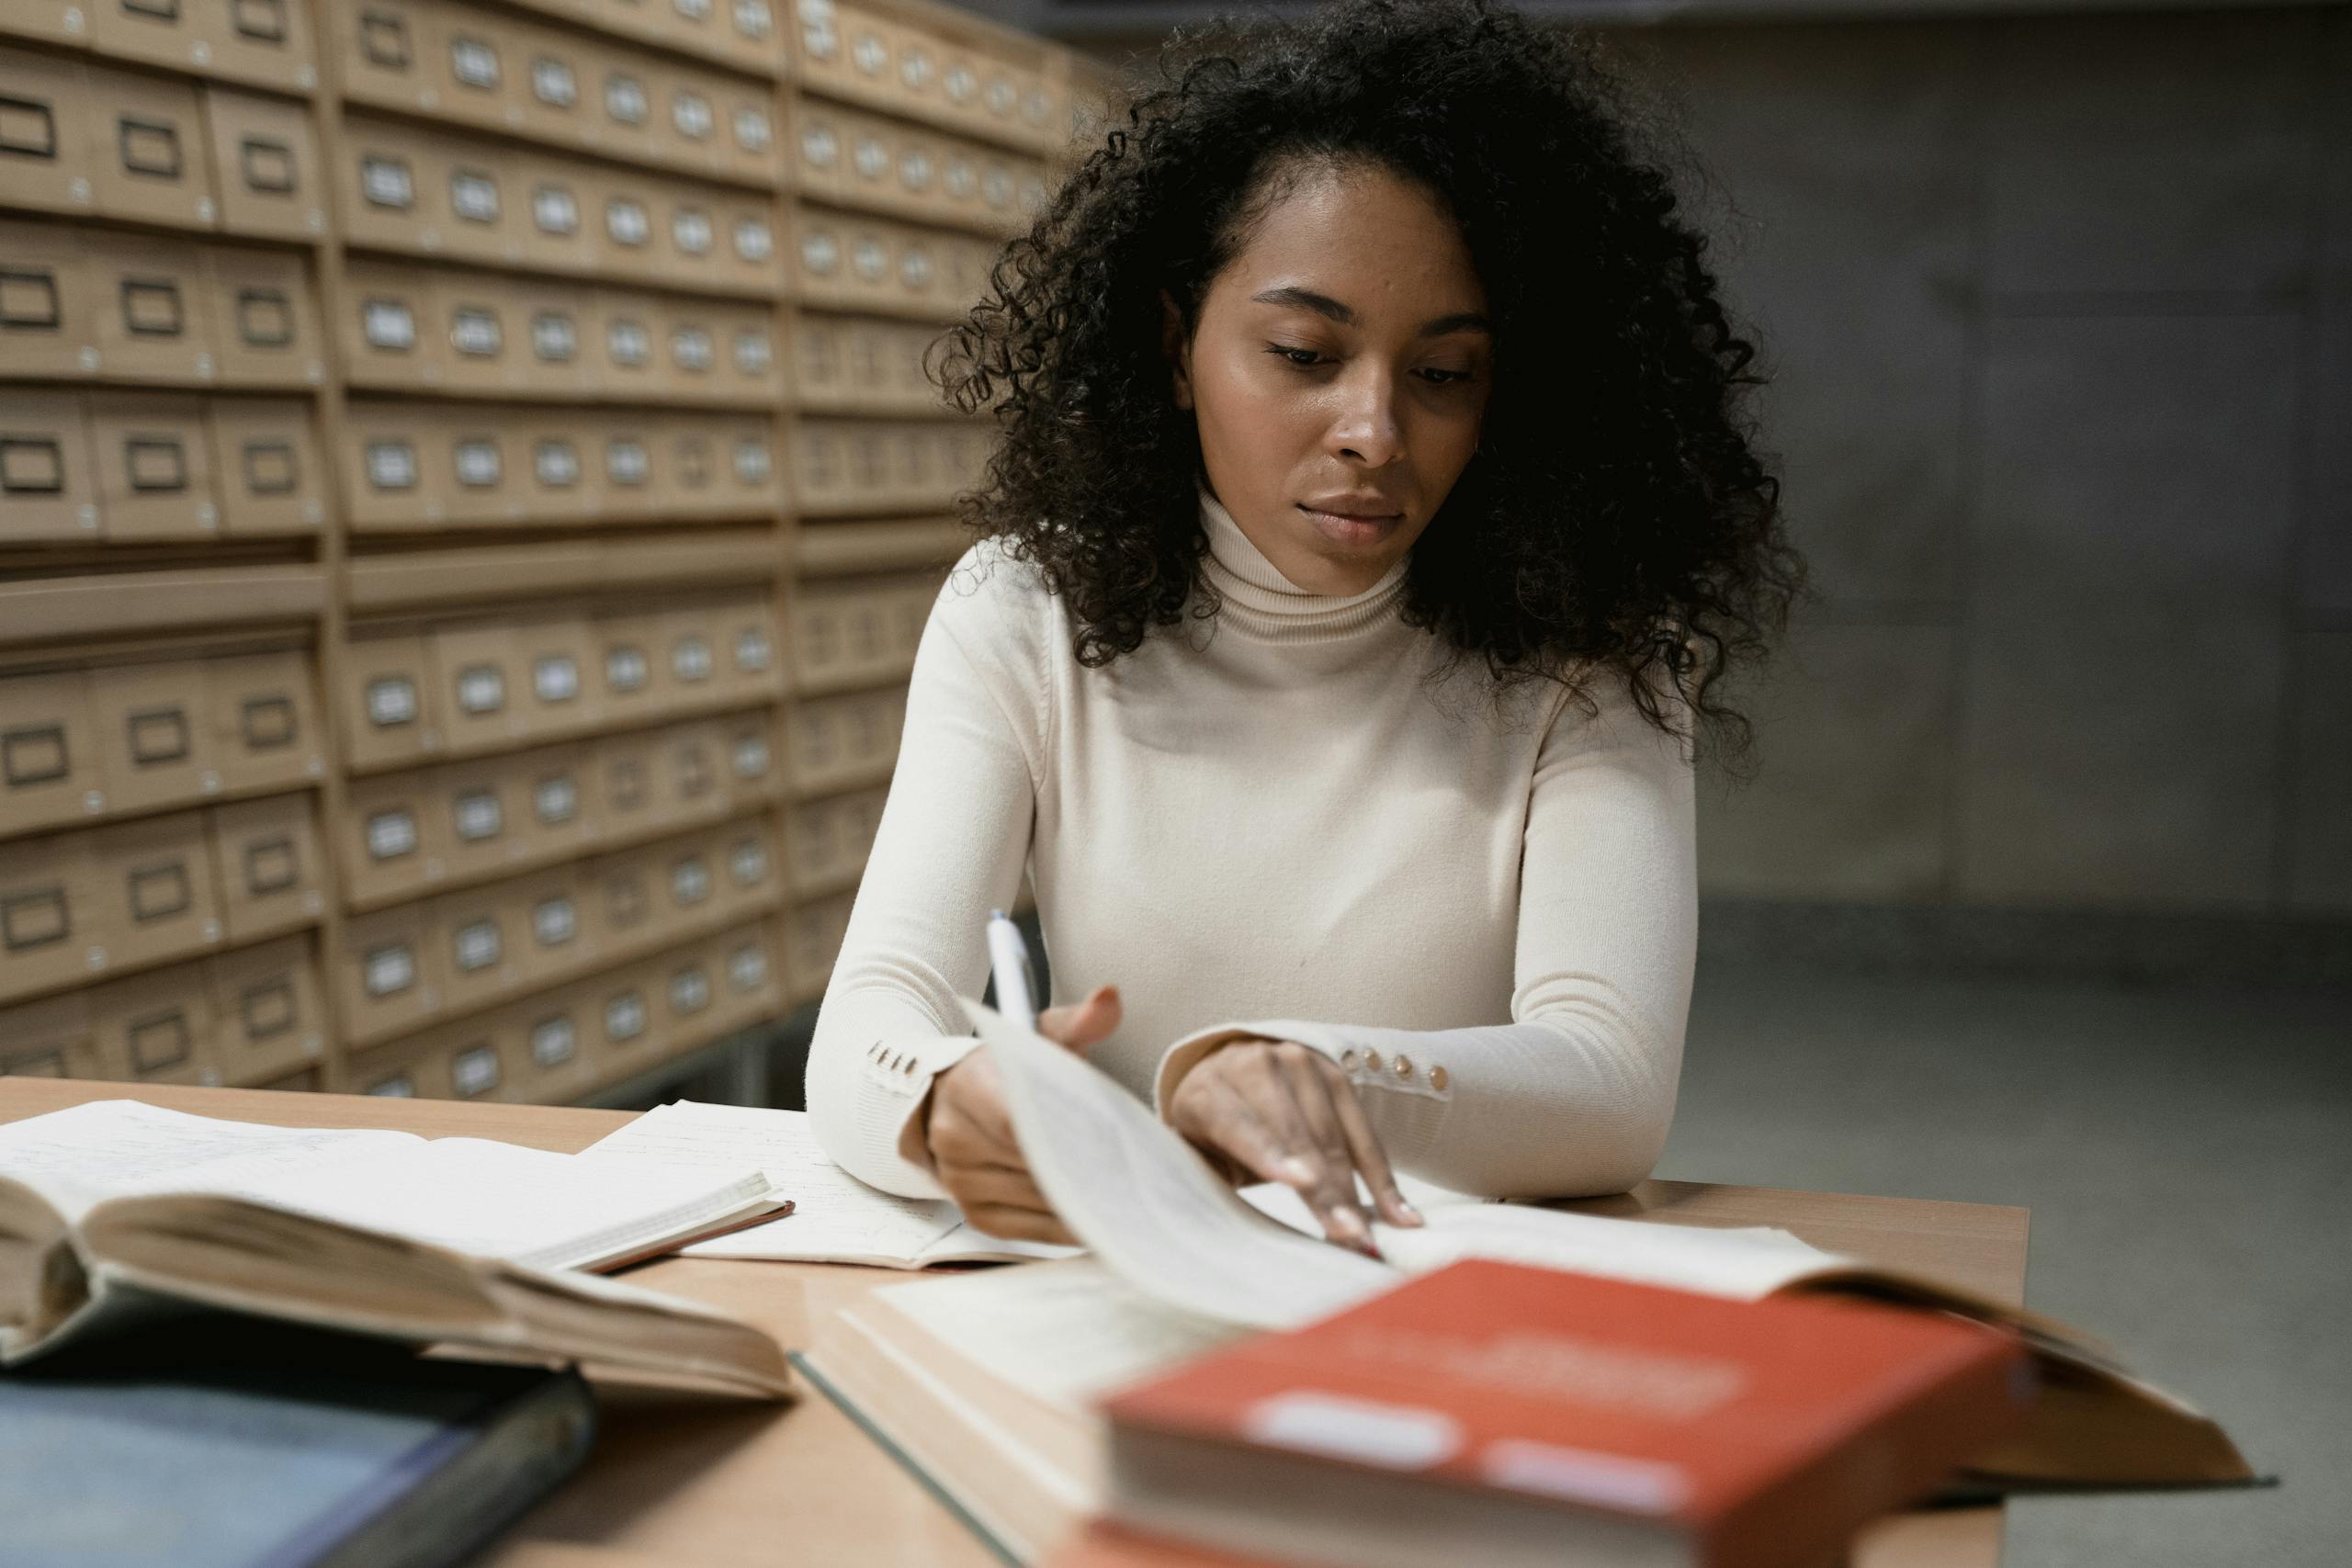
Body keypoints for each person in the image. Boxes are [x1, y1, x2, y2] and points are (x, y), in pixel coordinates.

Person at [805, 0, 1801, 1253]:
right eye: (1302, 352)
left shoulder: (1590, 649)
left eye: (1443, 375)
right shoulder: (1024, 610)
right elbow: (870, 1021)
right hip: (1128, 1274)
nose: (1373, 433)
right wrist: (946, 1101)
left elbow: (1609, 1085)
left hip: (1435, 1283)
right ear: (1176, 346)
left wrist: (1280, 1071)